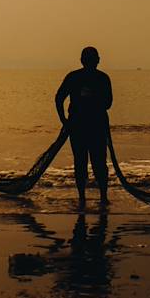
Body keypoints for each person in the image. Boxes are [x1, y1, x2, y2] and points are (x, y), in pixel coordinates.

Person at [55, 47, 113, 207]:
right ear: (98, 60)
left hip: (80, 126)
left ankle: (83, 198)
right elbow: (108, 103)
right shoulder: (102, 78)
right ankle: (102, 197)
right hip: (94, 126)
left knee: (82, 162)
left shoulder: (74, 77)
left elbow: (59, 98)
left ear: (82, 60)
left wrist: (64, 120)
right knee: (98, 162)